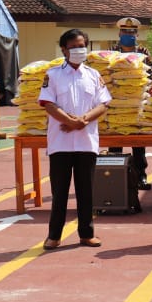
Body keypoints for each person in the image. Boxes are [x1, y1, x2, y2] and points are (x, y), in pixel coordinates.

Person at [38, 29, 111, 250]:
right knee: (59, 191)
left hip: (86, 141)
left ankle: (86, 233)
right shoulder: (53, 75)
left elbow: (103, 103)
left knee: (86, 191)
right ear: (63, 50)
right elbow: (48, 103)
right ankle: (54, 235)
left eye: (82, 46)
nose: (79, 51)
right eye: (73, 47)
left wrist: (84, 120)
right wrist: (69, 122)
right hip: (60, 142)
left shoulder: (93, 75)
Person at [115, 16, 151, 187]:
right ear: (119, 33)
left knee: (138, 143)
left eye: (131, 32)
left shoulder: (143, 54)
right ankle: (116, 177)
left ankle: (140, 176)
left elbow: (150, 76)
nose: (128, 35)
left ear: (136, 34)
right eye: (125, 31)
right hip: (116, 104)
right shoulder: (111, 53)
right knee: (115, 143)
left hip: (137, 104)